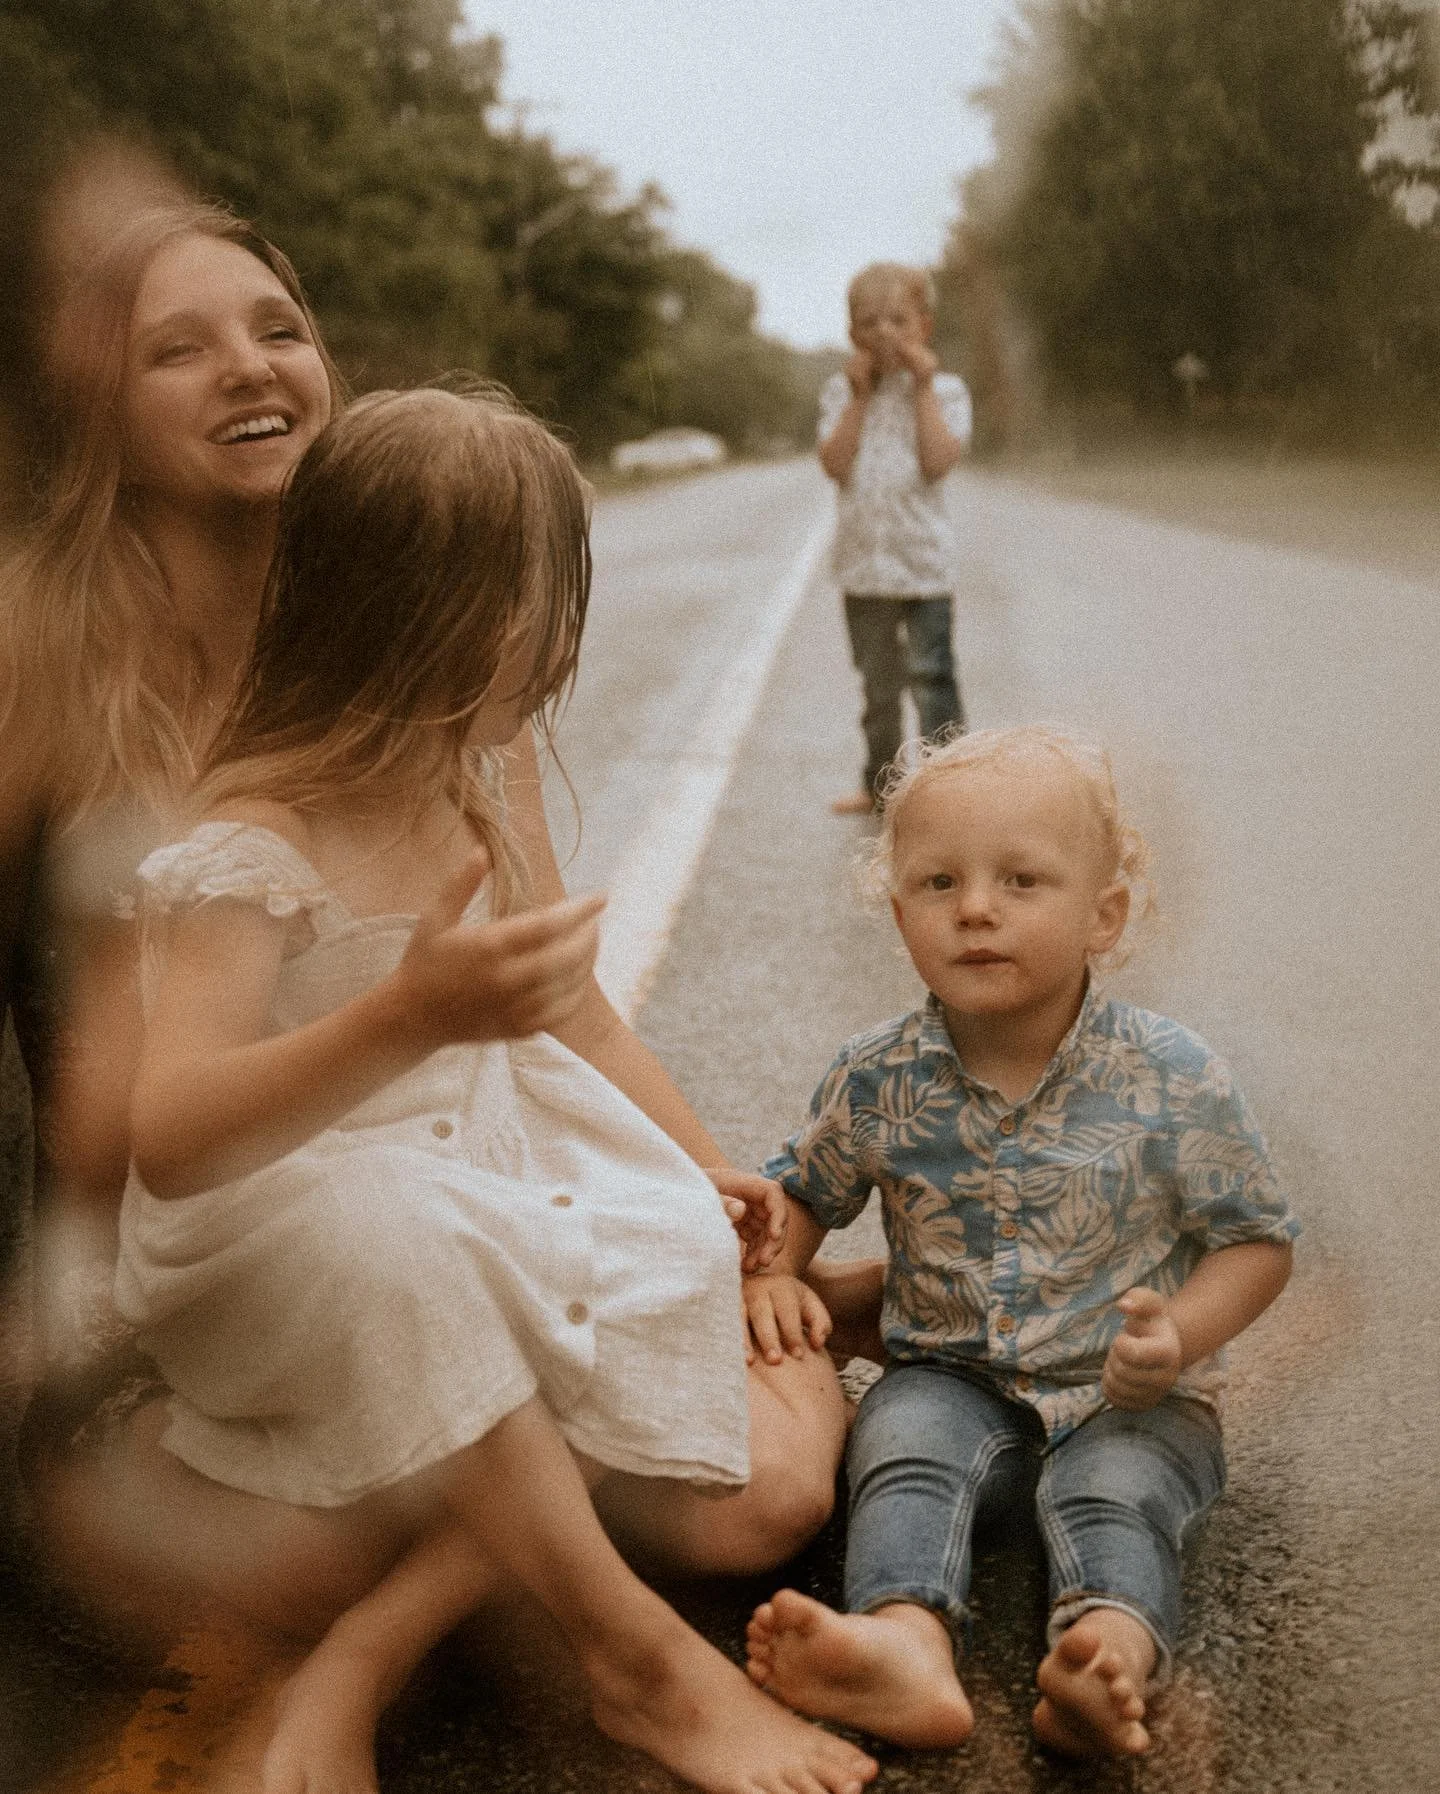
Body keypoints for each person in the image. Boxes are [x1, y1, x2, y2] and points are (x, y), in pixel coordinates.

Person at [1, 196, 849, 1736]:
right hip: (226, 1254)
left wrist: (721, 1201)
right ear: (100, 423)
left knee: (767, 1487)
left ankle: (548, 1484)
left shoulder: (439, 679)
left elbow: (558, 1008)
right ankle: (560, 1611)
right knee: (283, 1518)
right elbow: (151, 1128)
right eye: (174, 349)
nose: (249, 367)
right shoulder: (52, 671)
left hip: (454, 1184)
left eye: (278, 326)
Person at [742, 726, 1297, 1757]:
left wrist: (1175, 1337)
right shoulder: (879, 1079)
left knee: (1117, 1494)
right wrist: (777, 1268)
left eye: (1022, 880)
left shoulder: (1171, 1076)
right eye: (938, 881)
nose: (977, 908)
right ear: (896, 906)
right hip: (948, 1374)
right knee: (902, 1449)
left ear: (1105, 914)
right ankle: (904, 1643)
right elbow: (798, 1191)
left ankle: (1107, 1658)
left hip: (1137, 1398)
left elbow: (1257, 1241)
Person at [817, 264, 971, 816]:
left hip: (923, 564)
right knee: (878, 688)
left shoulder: (946, 390)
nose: (884, 333)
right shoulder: (841, 390)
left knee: (933, 677)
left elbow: (936, 462)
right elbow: (835, 465)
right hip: (864, 568)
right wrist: (860, 398)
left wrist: (923, 385)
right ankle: (880, 785)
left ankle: (951, 785)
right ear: (852, 335)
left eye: (898, 321)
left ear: (923, 328)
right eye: (869, 322)